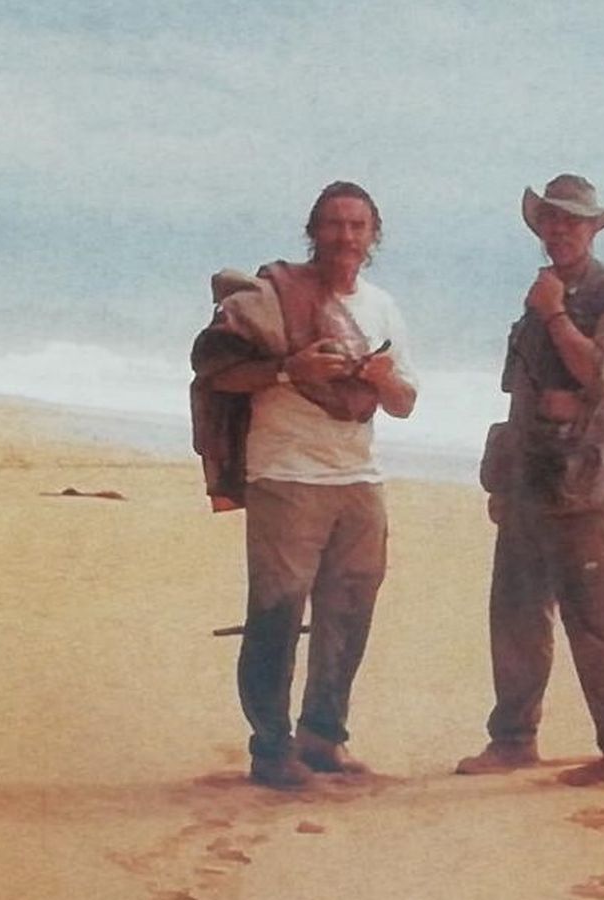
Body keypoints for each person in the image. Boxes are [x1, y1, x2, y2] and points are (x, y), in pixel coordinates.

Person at [190, 181, 418, 790]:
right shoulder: (272, 297)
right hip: (285, 475)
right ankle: (270, 750)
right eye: (333, 224)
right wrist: (292, 370)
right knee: (276, 615)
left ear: (374, 237)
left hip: (358, 477)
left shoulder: (382, 307)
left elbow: (404, 404)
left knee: (350, 612)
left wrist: (381, 377)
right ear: (312, 231)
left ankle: (323, 737)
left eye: (357, 226)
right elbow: (215, 369)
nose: (345, 236)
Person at [455, 174, 604, 786]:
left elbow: (602, 380)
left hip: (587, 482)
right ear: (539, 226)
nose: (561, 228)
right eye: (551, 218)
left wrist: (557, 316)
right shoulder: (543, 292)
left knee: (598, 620)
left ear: (594, 227)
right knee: (515, 613)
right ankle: (513, 740)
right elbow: (531, 391)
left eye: (573, 219)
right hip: (528, 477)